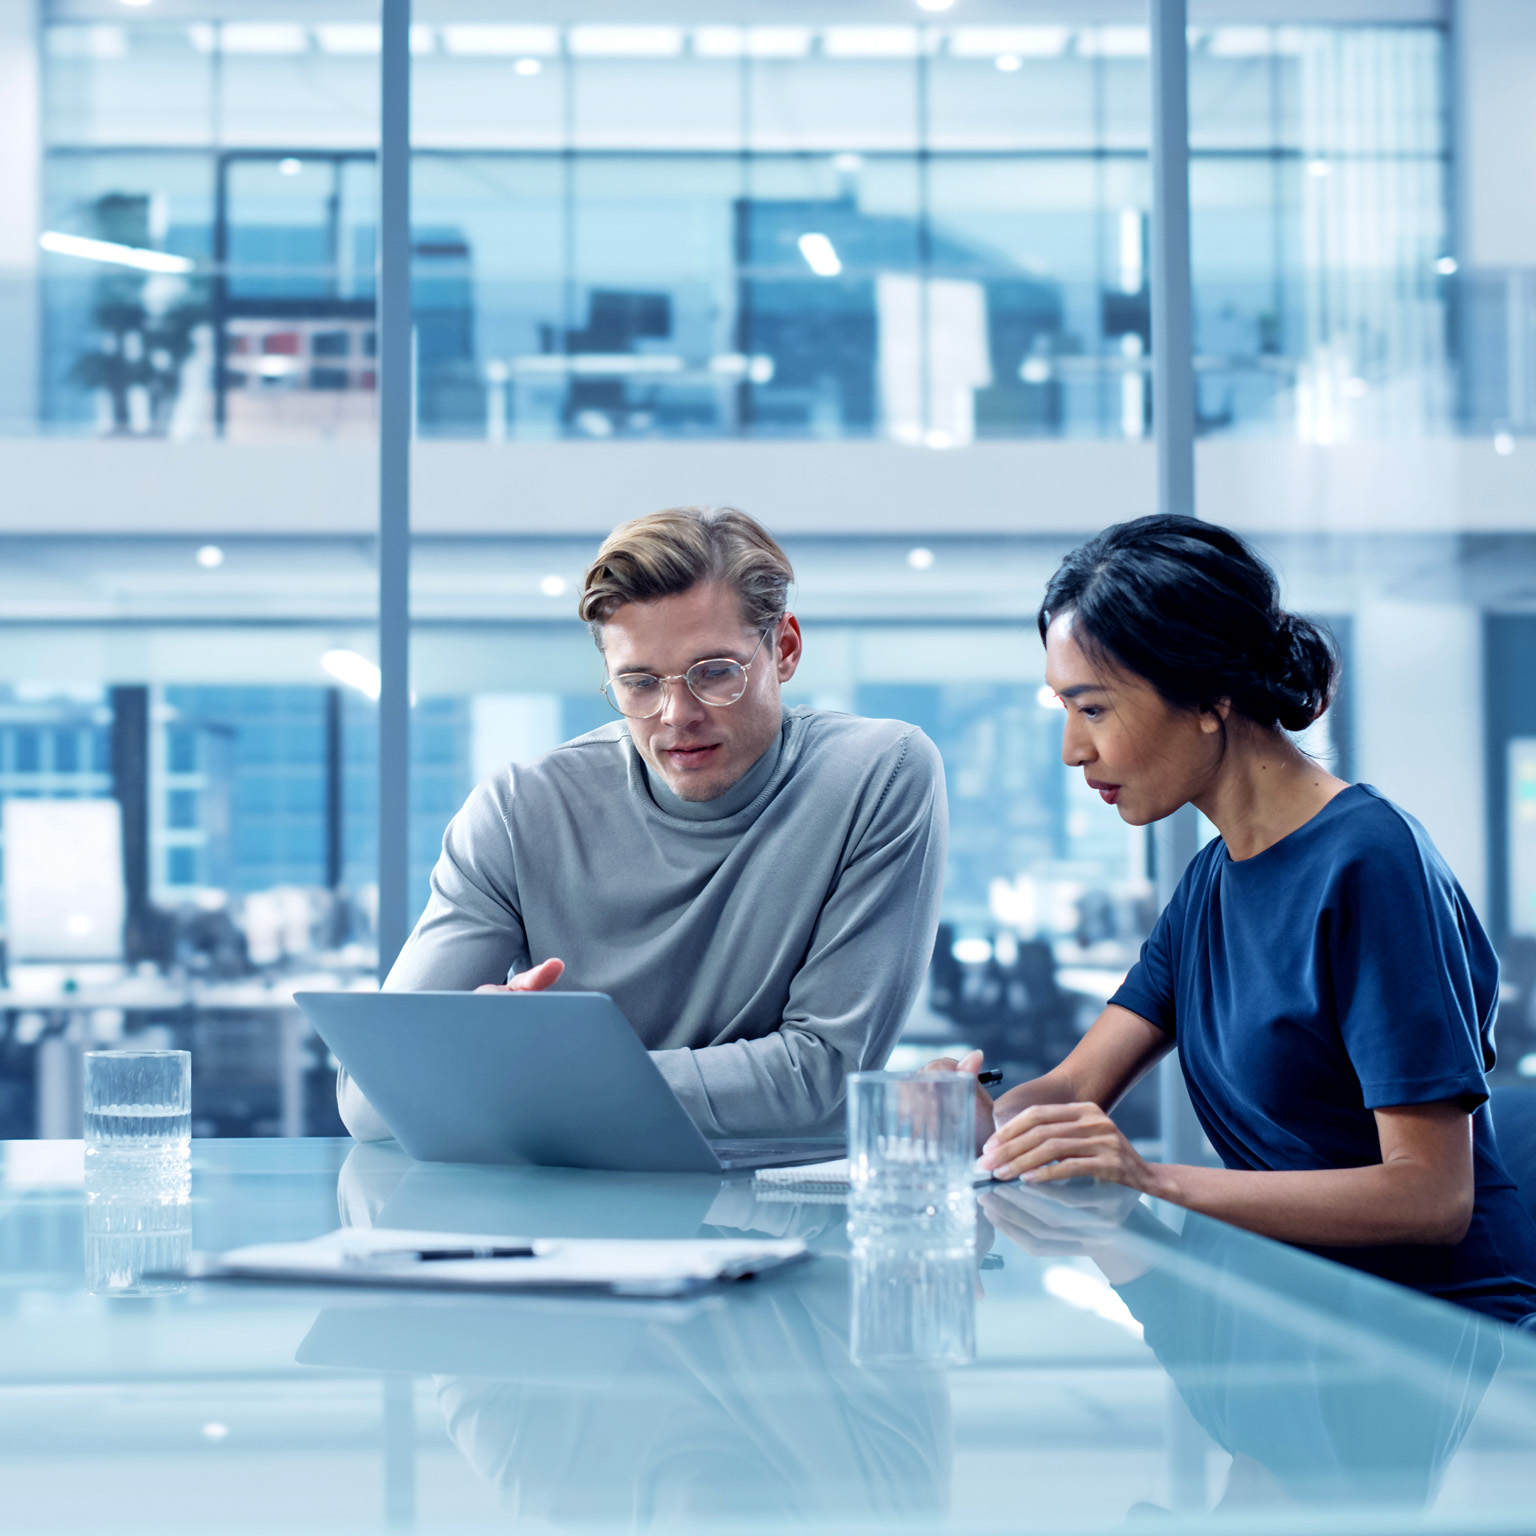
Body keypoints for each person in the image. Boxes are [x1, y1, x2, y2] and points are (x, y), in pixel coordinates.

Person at [935, 513, 1536, 1328]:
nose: (1073, 749)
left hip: (1435, 1336)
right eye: (1064, 711)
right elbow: (1076, 1086)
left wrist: (1149, 1180)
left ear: (1210, 699)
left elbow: (1431, 1196)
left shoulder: (1371, 863)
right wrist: (989, 1121)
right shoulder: (1212, 882)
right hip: (1283, 1310)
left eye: (1096, 709)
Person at [339, 506, 947, 1142]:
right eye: (639, 683)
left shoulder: (879, 773)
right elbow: (369, 1098)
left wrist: (529, 1079)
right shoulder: (519, 811)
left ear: (785, 649)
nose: (676, 714)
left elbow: (823, 1079)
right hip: (564, 1217)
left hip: (776, 1210)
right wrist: (489, 1055)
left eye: (715, 673)